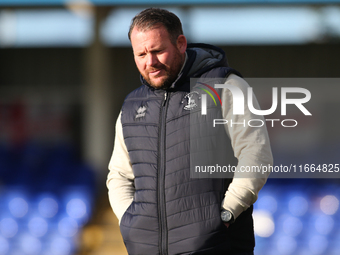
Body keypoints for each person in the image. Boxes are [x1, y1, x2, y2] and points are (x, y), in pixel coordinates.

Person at [107, 7, 273, 255]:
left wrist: (226, 213)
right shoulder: (131, 106)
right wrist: (132, 223)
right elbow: (119, 175)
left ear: (181, 43)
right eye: (140, 54)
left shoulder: (226, 87)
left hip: (216, 245)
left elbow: (256, 155)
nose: (149, 62)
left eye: (157, 51)